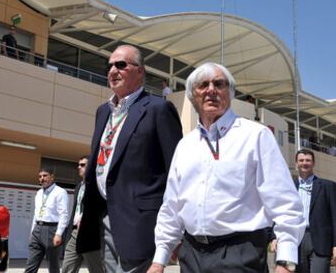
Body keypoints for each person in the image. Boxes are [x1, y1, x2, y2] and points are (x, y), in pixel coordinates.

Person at [147, 62, 305, 273]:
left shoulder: (255, 136)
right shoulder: (185, 145)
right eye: (203, 85)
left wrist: (285, 260)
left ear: (229, 93)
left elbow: (285, 202)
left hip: (240, 253)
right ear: (194, 95)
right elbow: (172, 206)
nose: (211, 89)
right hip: (192, 253)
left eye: (218, 84)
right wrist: (159, 260)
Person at [76, 45, 183, 273]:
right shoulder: (103, 112)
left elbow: (177, 172)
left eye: (121, 65)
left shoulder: (158, 109)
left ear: (140, 71)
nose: (113, 70)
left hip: (141, 223)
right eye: (110, 66)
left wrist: (176, 229)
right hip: (103, 219)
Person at [271, 149, 336, 273]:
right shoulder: (288, 187)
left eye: (308, 160)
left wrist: (335, 245)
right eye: (301, 160)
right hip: (294, 239)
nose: (304, 163)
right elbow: (280, 213)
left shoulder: (328, 186)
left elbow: (335, 217)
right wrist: (275, 237)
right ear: (296, 164)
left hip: (320, 241)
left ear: (313, 163)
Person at [62, 156, 104, 273]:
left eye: (82, 165)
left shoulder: (98, 186)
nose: (78, 167)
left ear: (91, 166)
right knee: (67, 267)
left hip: (91, 233)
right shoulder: (79, 187)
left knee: (96, 269)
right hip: (75, 233)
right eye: (78, 164)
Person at [24, 168, 69, 273]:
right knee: (30, 265)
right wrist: (32, 231)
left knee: (52, 265)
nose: (42, 179)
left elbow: (64, 214)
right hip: (37, 230)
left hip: (52, 230)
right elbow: (36, 214)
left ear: (52, 177)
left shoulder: (60, 192)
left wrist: (59, 234)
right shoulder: (39, 193)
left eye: (45, 176)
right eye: (40, 176)